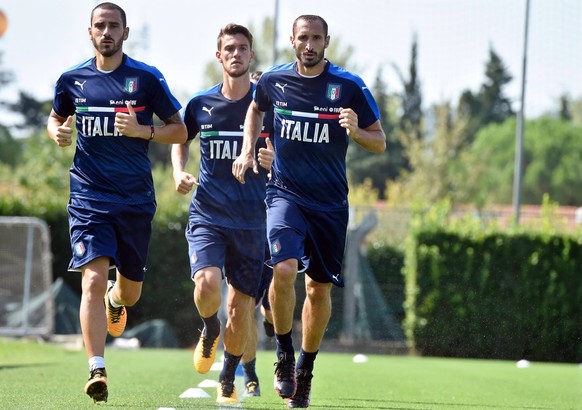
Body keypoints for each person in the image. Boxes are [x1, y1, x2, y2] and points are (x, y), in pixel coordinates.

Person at [232, 14, 387, 409]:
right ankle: (284, 352)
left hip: (331, 205)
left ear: (327, 41)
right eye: (304, 38)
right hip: (285, 194)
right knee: (283, 269)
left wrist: (356, 130)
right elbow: (255, 109)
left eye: (317, 38)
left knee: (318, 289)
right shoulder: (273, 80)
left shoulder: (349, 86)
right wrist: (249, 147)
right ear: (292, 40)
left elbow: (380, 142)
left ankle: (306, 370)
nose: (310, 45)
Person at [46, 2, 186, 404]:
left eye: (114, 26)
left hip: (135, 200)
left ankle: (115, 299)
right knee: (90, 277)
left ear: (126, 33)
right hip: (89, 196)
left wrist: (143, 130)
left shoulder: (145, 79)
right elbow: (55, 118)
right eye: (99, 26)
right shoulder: (72, 80)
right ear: (89, 32)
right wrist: (57, 131)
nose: (106, 32)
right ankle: (96, 367)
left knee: (130, 294)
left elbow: (178, 131)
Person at [171, 24, 273, 404]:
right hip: (209, 217)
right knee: (208, 286)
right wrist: (179, 171)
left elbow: (287, 156)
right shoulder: (200, 104)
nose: (235, 54)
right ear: (219, 55)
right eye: (229, 48)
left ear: (251, 56)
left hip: (253, 222)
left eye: (242, 48)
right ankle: (208, 327)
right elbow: (178, 138)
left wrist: (272, 159)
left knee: (241, 309)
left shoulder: (268, 110)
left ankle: (233, 375)